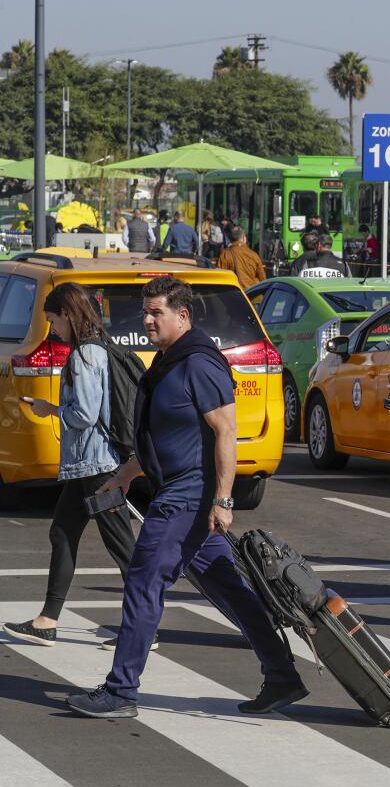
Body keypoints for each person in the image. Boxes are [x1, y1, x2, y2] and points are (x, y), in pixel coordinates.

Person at [64, 277, 307, 718]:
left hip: (190, 494)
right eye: (146, 311)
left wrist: (225, 500)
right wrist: (123, 476)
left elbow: (226, 432)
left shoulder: (199, 363)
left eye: (157, 312)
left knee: (143, 580)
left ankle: (120, 693)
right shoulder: (168, 361)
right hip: (178, 489)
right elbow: (165, 433)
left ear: (183, 316)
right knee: (228, 588)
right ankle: (283, 676)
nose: (148, 319)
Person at [3, 284, 138, 649]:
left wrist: (51, 411)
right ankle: (47, 620)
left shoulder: (84, 356)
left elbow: (84, 414)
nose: (54, 330)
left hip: (98, 468)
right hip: (87, 468)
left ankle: (143, 627)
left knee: (123, 548)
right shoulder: (95, 350)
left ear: (68, 313)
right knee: (62, 533)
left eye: (54, 321)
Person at [217, 225, 267, 289]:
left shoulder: (225, 255)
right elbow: (262, 279)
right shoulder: (254, 255)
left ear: (230, 239)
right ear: (244, 238)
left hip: (234, 295)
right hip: (253, 295)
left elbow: (221, 278)